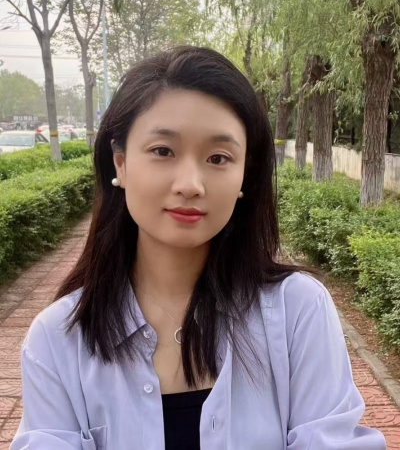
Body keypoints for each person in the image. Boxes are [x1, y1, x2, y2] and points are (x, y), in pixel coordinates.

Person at [11, 46, 386, 450]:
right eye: (162, 151)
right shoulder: (59, 340)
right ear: (120, 163)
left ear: (244, 175)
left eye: (218, 158)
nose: (190, 184)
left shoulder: (298, 312)